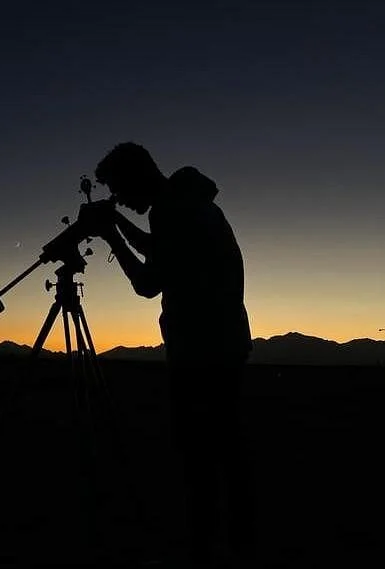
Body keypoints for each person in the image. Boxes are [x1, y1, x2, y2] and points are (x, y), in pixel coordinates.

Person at [80, 141, 256, 567]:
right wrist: (118, 221)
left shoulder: (172, 210)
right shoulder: (187, 203)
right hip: (226, 341)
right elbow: (164, 249)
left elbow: (147, 281)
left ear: (136, 177)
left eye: (121, 193)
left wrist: (109, 234)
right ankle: (237, 537)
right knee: (228, 448)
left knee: (199, 453)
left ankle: (205, 544)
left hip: (199, 350)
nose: (121, 200)